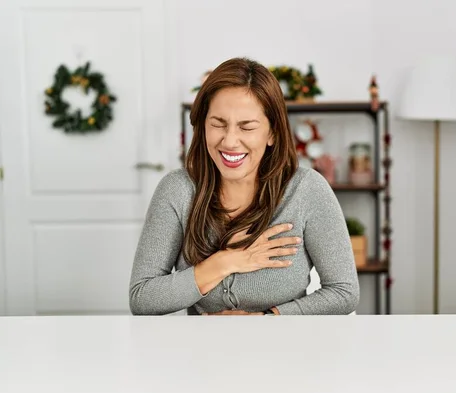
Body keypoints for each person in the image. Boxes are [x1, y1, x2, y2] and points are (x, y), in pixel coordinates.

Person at [129, 57, 359, 315]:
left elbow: (344, 291)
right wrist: (224, 262)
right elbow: (142, 297)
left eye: (246, 127)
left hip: (284, 350)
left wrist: (267, 320)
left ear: (272, 133)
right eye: (218, 124)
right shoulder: (177, 190)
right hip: (201, 351)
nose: (230, 141)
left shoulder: (306, 190)